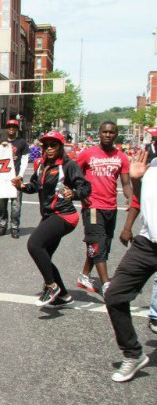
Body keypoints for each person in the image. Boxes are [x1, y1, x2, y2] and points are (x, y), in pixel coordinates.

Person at [12, 131, 91, 307]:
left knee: (34, 244)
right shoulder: (40, 164)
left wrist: (74, 193)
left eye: (53, 145)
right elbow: (34, 186)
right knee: (45, 255)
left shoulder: (68, 165)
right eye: (45, 145)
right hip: (49, 216)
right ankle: (63, 295)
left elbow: (85, 187)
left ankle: (51, 286)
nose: (48, 148)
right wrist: (22, 186)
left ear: (61, 147)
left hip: (64, 215)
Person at [104, 150, 156, 382]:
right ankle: (133, 353)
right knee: (115, 295)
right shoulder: (152, 166)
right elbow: (142, 200)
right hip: (147, 244)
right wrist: (136, 179)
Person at [75, 121, 133, 296]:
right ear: (99, 133)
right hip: (92, 207)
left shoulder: (121, 157)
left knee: (102, 245)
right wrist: (80, 192)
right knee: (97, 242)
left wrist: (131, 199)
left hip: (110, 207)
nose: (108, 135)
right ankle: (106, 284)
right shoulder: (87, 154)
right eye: (105, 132)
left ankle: (84, 276)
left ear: (116, 135)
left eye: (112, 132)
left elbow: (125, 182)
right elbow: (74, 175)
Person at [0, 119, 30, 238]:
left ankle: (14, 227)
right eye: (9, 126)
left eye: (14, 127)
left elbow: (25, 159)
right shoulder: (2, 141)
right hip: (3, 178)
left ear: (17, 129)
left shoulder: (22, 143)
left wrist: (20, 176)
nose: (11, 128)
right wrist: (0, 147)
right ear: (7, 128)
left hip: (16, 178)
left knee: (16, 205)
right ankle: (2, 226)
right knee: (2, 204)